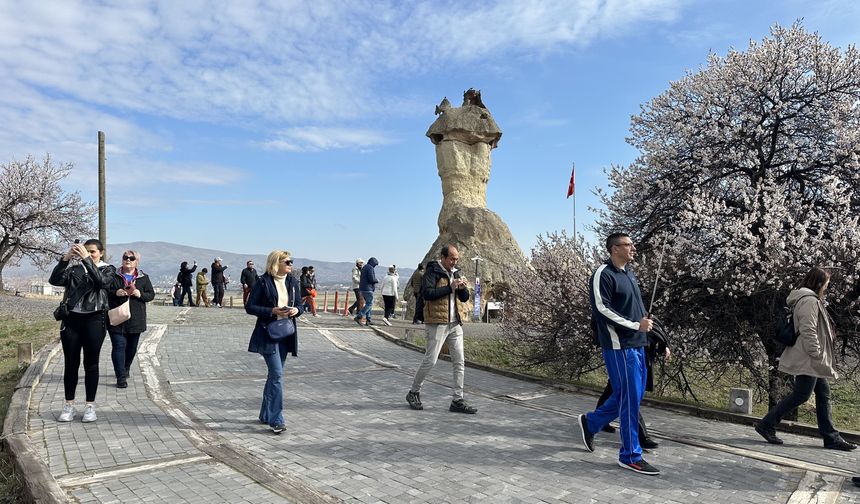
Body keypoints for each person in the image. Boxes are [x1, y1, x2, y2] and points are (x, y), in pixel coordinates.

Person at [577, 233, 659, 475]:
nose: (633, 248)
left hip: (638, 344)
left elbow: (638, 311)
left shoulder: (629, 274)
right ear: (615, 249)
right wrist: (635, 326)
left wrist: (650, 333)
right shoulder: (603, 274)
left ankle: (590, 422)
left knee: (630, 395)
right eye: (628, 244)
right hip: (619, 346)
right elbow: (602, 310)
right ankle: (631, 455)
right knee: (630, 399)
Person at [755, 267, 857, 451]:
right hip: (809, 357)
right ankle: (766, 424)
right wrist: (816, 353)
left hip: (810, 357)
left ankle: (831, 437)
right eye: (826, 283)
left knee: (823, 395)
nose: (827, 286)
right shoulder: (809, 301)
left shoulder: (808, 299)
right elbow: (808, 329)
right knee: (802, 394)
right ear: (819, 283)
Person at [48, 239, 115, 423]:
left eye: (92, 251)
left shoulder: (108, 269)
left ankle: (90, 406)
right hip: (72, 320)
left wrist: (87, 260)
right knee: (71, 364)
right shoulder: (75, 269)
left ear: (100, 253)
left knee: (91, 364)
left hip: (94, 319)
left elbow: (101, 283)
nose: (89, 254)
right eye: (86, 251)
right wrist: (66, 259)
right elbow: (54, 280)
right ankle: (69, 405)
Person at [406, 245, 476, 414]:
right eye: (452, 259)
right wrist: (449, 287)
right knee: (431, 360)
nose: (454, 262)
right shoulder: (432, 271)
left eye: (456, 259)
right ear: (443, 258)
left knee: (459, 361)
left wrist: (462, 288)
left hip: (454, 324)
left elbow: (464, 298)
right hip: (436, 323)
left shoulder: (456, 272)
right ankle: (413, 392)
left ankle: (457, 399)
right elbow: (428, 294)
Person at [245, 250, 303, 434]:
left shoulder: (293, 282)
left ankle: (265, 414)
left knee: (274, 375)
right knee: (277, 374)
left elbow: (301, 305)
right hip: (267, 334)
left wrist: (296, 311)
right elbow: (250, 307)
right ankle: (277, 419)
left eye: (291, 261)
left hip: (286, 333)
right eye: (287, 261)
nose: (290, 264)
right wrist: (272, 311)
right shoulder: (263, 282)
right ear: (275, 263)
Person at [595, 317, 671, 450]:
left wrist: (664, 345)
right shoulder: (612, 308)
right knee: (630, 395)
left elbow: (654, 328)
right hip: (623, 350)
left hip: (637, 352)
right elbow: (599, 323)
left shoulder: (639, 308)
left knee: (614, 390)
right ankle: (642, 437)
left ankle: (596, 420)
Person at [106, 250, 155, 388]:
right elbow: (104, 292)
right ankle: (120, 377)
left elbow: (151, 295)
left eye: (131, 258)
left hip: (136, 318)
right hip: (117, 317)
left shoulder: (143, 278)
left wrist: (140, 294)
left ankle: (126, 367)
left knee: (131, 348)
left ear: (136, 261)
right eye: (125, 257)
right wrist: (116, 292)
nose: (128, 260)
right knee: (119, 346)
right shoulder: (113, 276)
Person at [355, 257, 379, 326]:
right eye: (375, 264)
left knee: (368, 303)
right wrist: (377, 280)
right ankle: (359, 316)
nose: (375, 266)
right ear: (373, 263)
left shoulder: (364, 267)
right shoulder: (370, 268)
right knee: (370, 304)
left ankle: (368, 320)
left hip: (362, 289)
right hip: (368, 289)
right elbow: (371, 279)